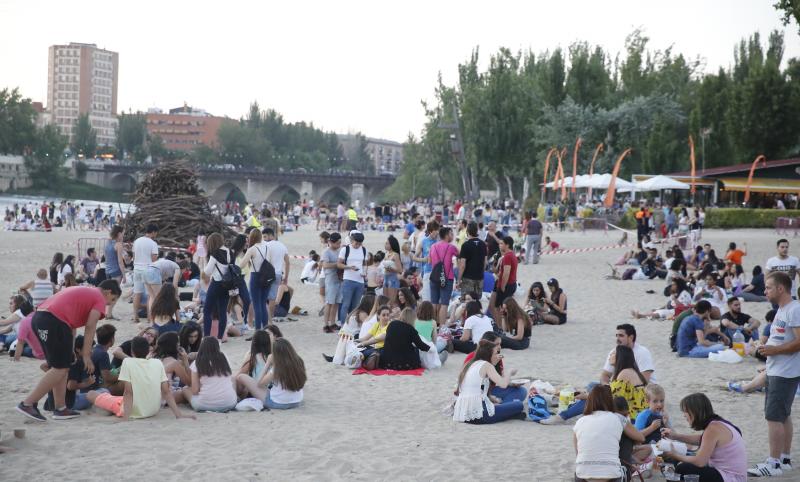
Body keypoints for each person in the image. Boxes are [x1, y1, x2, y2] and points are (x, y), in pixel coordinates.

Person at [15, 280, 121, 422]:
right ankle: (27, 403)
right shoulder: (98, 297)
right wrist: (86, 355)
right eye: (112, 299)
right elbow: (90, 327)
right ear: (107, 292)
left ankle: (60, 408)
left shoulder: (85, 291)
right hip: (54, 321)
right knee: (60, 368)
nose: (110, 303)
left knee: (63, 366)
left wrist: (71, 350)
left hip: (40, 318)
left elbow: (72, 324)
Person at [749, 272, 800, 477]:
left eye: (768, 287)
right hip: (777, 369)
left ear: (780, 288)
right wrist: (765, 348)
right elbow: (781, 339)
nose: (765, 291)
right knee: (783, 415)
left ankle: (773, 463)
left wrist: (774, 351)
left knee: (773, 417)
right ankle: (784, 459)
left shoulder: (794, 309)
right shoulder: (783, 309)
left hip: (784, 372)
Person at [85, 336, 194, 421]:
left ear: (132, 352)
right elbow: (166, 392)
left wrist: (125, 418)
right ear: (147, 351)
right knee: (112, 398)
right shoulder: (157, 363)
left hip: (134, 410)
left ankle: (109, 408)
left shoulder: (128, 362)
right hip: (153, 409)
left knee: (90, 394)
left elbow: (128, 393)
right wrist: (179, 415)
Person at [662, 393, 747, 481]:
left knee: (682, 469)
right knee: (685, 463)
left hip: (730, 477)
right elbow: (702, 439)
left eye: (685, 411)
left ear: (694, 412)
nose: (684, 415)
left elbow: (700, 462)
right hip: (732, 475)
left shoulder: (713, 429)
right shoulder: (717, 424)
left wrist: (675, 455)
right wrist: (676, 436)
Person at [573, 384, 644, 482]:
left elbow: (578, 452)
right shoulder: (618, 418)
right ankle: (627, 470)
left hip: (583, 475)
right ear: (610, 401)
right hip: (611, 476)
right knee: (627, 437)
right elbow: (641, 438)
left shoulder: (580, 421)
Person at [452, 339, 525, 424]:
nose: (497, 355)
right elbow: (503, 384)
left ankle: (509, 413)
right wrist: (509, 373)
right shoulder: (486, 365)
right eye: (495, 353)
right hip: (479, 415)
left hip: (463, 413)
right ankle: (509, 413)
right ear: (488, 355)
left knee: (510, 406)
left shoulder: (469, 364)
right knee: (519, 405)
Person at [236, 338, 306, 409]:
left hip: (279, 403)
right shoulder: (299, 362)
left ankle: (238, 398)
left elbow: (260, 384)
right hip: (297, 401)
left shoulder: (278, 367)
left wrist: (268, 363)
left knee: (241, 377)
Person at [181, 336, 237, 412]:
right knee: (232, 379)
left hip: (205, 405)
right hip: (230, 403)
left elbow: (194, 391)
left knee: (185, 389)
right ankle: (234, 397)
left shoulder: (197, 362)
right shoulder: (224, 358)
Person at [237, 229, 271, 330]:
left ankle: (257, 330)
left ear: (252, 237)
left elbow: (242, 265)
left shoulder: (252, 249)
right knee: (263, 303)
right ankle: (265, 328)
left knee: (256, 304)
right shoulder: (267, 247)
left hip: (256, 276)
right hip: (267, 276)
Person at [202, 233, 234, 339]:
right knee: (222, 312)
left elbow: (207, 271)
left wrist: (203, 265)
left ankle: (206, 336)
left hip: (216, 283)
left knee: (207, 310)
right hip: (227, 284)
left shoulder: (215, 253)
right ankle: (220, 337)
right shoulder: (229, 251)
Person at [609, 345, 648, 421]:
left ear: (620, 357)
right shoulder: (631, 371)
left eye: (613, 353)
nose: (610, 355)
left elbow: (613, 398)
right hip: (640, 414)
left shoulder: (624, 373)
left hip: (634, 417)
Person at [429, 227, 460, 324]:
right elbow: (460, 255)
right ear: (446, 235)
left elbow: (430, 261)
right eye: (451, 234)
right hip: (447, 278)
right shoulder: (451, 247)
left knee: (434, 303)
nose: (452, 236)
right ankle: (442, 328)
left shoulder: (433, 246)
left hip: (434, 277)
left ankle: (433, 326)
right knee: (444, 304)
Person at [337, 230, 367, 324]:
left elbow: (365, 264)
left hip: (360, 280)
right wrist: (349, 267)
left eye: (359, 243)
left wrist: (364, 272)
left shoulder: (364, 250)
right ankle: (343, 325)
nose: (357, 245)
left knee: (355, 306)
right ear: (351, 240)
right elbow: (339, 264)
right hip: (348, 279)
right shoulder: (345, 250)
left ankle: (351, 324)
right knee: (346, 304)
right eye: (356, 243)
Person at [132, 224, 159, 323]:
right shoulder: (153, 243)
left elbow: (134, 256)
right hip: (148, 269)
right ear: (153, 232)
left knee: (137, 293)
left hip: (137, 268)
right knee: (150, 295)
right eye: (156, 233)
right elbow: (154, 259)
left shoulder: (137, 241)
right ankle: (149, 316)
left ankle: (135, 316)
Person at [263, 227, 290, 322]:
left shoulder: (265, 245)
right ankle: (271, 316)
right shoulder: (282, 246)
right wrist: (286, 277)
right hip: (278, 274)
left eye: (265, 236)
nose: (264, 239)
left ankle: (265, 317)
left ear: (271, 235)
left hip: (266, 274)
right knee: (272, 297)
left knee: (263, 296)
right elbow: (287, 262)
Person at [236, 330, 272, 398]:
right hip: (271, 390)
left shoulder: (253, 358)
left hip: (258, 391)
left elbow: (239, 375)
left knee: (239, 378)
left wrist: (246, 359)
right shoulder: (271, 356)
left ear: (254, 343)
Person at [103, 225, 128, 319]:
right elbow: (120, 261)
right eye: (123, 233)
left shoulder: (108, 242)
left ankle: (107, 313)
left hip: (107, 270)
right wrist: (124, 275)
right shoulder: (118, 245)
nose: (123, 235)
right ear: (119, 233)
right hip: (116, 271)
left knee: (109, 293)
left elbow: (106, 257)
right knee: (116, 293)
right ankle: (108, 314)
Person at [457, 221, 487, 298]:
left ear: (467, 231)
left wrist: (459, 279)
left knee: (466, 303)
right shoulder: (483, 244)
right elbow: (485, 262)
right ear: (477, 231)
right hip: (479, 277)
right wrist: (480, 273)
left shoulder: (465, 245)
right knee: (476, 302)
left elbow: (462, 265)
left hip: (468, 278)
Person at [492, 236, 518, 320]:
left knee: (499, 308)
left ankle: (500, 328)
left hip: (506, 284)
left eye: (501, 243)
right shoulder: (511, 255)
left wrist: (502, 286)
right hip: (511, 283)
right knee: (505, 307)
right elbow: (501, 272)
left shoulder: (507, 256)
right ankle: (505, 326)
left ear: (507, 245)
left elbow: (506, 273)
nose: (499, 245)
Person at [383, 235, 402, 304]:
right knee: (385, 300)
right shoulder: (386, 254)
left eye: (387, 243)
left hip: (393, 278)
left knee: (391, 301)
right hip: (385, 277)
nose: (385, 244)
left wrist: (391, 269)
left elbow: (400, 270)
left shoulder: (395, 255)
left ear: (392, 244)